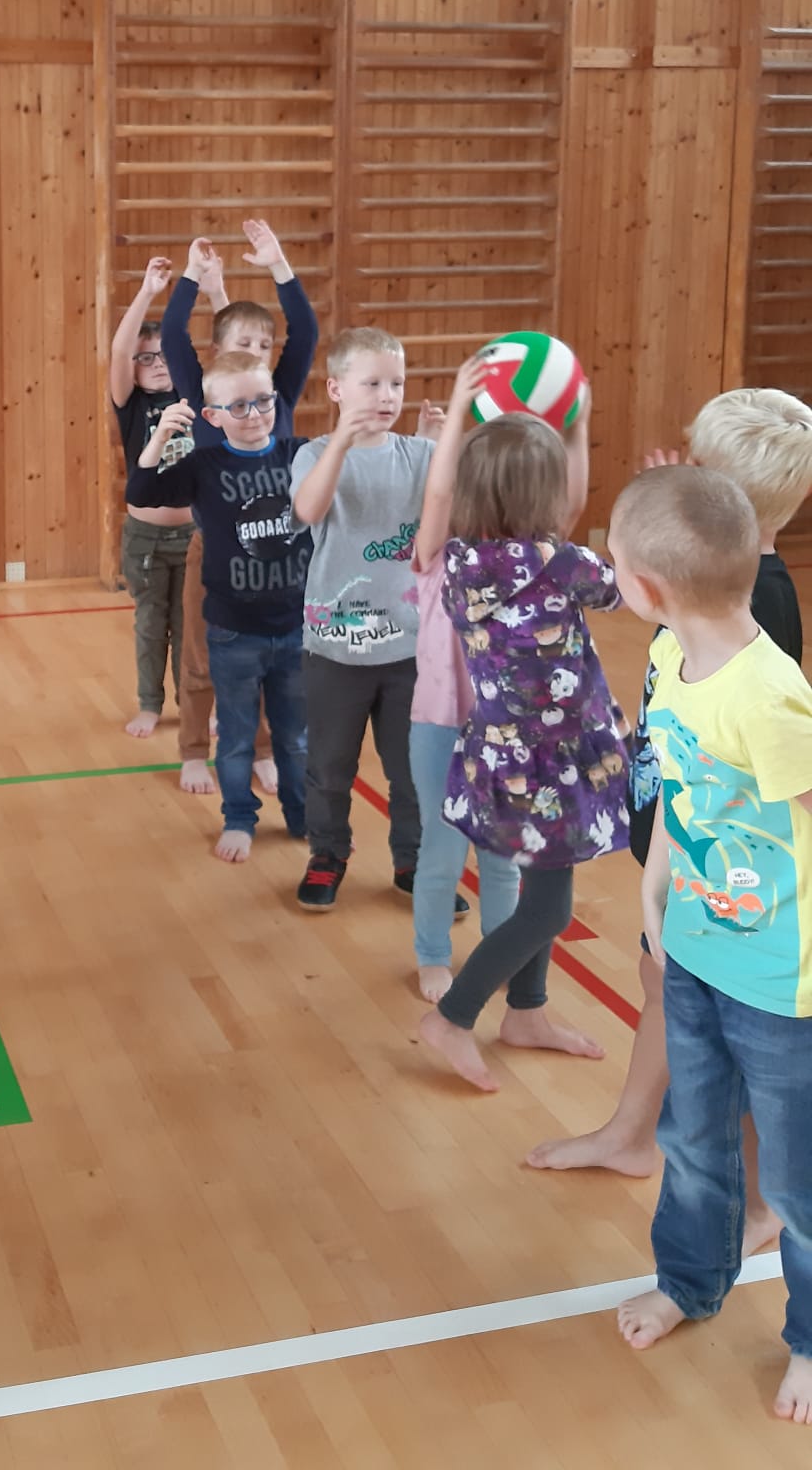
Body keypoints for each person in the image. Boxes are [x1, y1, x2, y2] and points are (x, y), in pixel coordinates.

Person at [528, 386, 812, 1188]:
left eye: (697, 468)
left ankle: (757, 1195)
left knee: (732, 1024)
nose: (683, 467)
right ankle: (634, 1135)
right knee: (664, 985)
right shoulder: (711, 592)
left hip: (726, 876)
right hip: (679, 840)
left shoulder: (761, 609)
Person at [606, 466, 812, 1426]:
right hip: (693, 951)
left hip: (779, 983)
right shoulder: (667, 655)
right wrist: (654, 885)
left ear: (647, 586)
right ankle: (690, 1283)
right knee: (693, 1139)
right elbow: (679, 788)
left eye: (615, 562)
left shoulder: (769, 700)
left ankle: (808, 1338)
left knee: (798, 1182)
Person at [416, 405, 628, 1092]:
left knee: (544, 883)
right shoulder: (564, 563)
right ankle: (454, 1016)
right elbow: (622, 593)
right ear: (545, 495)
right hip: (554, 765)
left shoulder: (458, 560)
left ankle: (527, 1012)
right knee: (549, 909)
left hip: (503, 758)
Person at [126, 351, 313, 861]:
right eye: (239, 406)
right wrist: (160, 437)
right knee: (234, 738)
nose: (254, 415)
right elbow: (141, 491)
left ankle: (303, 818)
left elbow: (356, 472)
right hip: (233, 631)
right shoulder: (203, 467)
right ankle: (239, 819)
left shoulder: (299, 455)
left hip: (294, 628)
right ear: (211, 416)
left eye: (263, 401)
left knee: (295, 738)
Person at [160, 221, 319, 796]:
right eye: (241, 343)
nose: (253, 352)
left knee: (273, 659)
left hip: (280, 553)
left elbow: (306, 331)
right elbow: (173, 331)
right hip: (215, 553)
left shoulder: (279, 398)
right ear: (218, 350)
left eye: (262, 346)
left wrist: (279, 265)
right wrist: (189, 276)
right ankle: (193, 750)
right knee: (202, 658)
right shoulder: (201, 391)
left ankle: (263, 749)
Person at [289, 327, 441, 912]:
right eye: (372, 383)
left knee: (412, 771)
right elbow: (309, 509)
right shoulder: (312, 455)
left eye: (396, 383)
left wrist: (438, 449)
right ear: (336, 389)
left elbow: (443, 527)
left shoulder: (419, 455)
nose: (387, 395)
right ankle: (328, 854)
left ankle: (413, 860)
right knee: (330, 767)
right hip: (335, 651)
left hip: (408, 650)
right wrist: (342, 445)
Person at [408, 353, 521, 999]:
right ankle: (432, 954)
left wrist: (575, 421)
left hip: (505, 734)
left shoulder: (527, 561)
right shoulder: (437, 559)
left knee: (503, 861)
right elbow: (438, 493)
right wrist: (455, 412)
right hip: (441, 727)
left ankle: (498, 955)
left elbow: (564, 500)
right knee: (443, 850)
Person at [108, 256, 222, 740]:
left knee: (193, 629)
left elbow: (232, 351)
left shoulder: (196, 397)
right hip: (146, 540)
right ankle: (149, 703)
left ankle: (194, 706)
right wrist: (148, 291)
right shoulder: (131, 404)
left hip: (194, 535)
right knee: (152, 625)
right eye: (146, 359)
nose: (157, 365)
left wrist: (215, 289)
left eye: (163, 356)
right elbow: (119, 350)